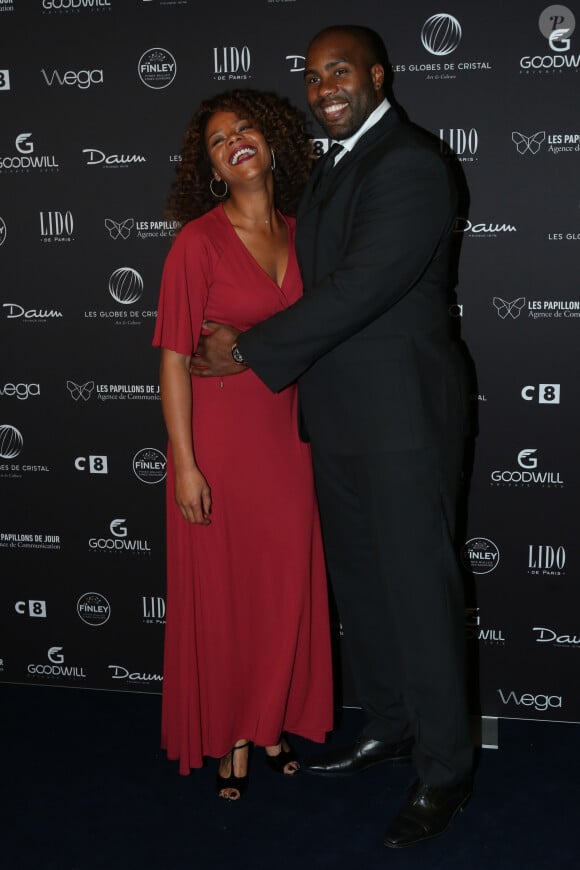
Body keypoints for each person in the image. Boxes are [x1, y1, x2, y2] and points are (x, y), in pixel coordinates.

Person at [192, 25, 474, 844]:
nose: (324, 88)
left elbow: (359, 287)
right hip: (335, 417)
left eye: (340, 71)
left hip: (403, 419)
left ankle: (447, 770)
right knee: (364, 587)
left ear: (378, 75)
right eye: (313, 77)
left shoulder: (412, 163)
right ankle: (388, 726)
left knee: (419, 594)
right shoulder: (327, 167)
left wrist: (245, 349)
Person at [152, 88, 333, 801]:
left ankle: (268, 720)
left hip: (290, 441)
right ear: (213, 169)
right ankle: (230, 730)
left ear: (274, 142)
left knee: (281, 587)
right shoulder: (197, 241)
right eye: (218, 139)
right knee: (225, 593)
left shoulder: (304, 231)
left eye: (247, 127)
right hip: (220, 445)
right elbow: (173, 358)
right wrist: (186, 465)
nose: (235, 140)